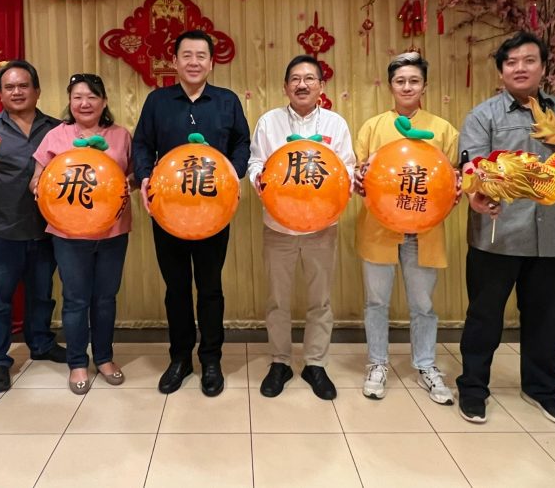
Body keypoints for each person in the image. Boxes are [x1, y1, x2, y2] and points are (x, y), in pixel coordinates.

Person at [456, 31, 555, 426]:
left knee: (546, 319)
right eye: (511, 62)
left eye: (529, 60)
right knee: (484, 318)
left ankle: (542, 389)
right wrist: (476, 192)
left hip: (551, 236)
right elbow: (471, 167)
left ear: (543, 67)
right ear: (501, 72)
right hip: (497, 235)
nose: (520, 68)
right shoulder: (484, 115)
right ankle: (473, 388)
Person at [132, 29, 250, 397]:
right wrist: (145, 177)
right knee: (177, 288)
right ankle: (180, 358)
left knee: (211, 287)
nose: (194, 62)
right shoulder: (157, 101)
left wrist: (233, 172)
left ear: (212, 63)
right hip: (168, 212)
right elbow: (142, 144)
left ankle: (211, 359)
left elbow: (242, 143)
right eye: (187, 55)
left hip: (214, 211)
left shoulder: (227, 101)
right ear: (175, 61)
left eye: (201, 56)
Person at [353, 52, 460, 404]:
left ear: (424, 86)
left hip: (424, 231)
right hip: (379, 228)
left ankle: (426, 365)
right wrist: (360, 176)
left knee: (423, 304)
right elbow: (358, 174)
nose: (407, 87)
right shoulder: (372, 127)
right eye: (400, 81)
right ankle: (377, 363)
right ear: (390, 86)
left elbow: (454, 179)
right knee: (376, 301)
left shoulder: (443, 129)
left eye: (414, 81)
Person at [247, 55, 356, 400]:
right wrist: (259, 178)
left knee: (320, 300)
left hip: (322, 227)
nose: (302, 84)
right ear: (285, 86)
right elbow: (255, 162)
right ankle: (279, 362)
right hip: (278, 226)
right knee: (277, 300)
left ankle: (315, 363)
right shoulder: (269, 122)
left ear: (321, 86)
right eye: (295, 78)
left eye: (309, 78)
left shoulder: (336, 124)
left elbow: (348, 169)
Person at [0, 60, 65, 395]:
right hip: (1, 228)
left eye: (24, 86)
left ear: (37, 91)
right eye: (9, 87)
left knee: (41, 294)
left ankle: (41, 343)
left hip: (47, 228)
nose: (17, 92)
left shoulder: (57, 129)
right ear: (0, 93)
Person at [31, 73, 133, 394]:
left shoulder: (120, 136)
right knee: (75, 300)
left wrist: (120, 184)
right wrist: (40, 189)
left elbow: (131, 177)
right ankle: (77, 362)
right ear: (70, 101)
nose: (84, 103)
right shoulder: (56, 136)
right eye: (77, 97)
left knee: (105, 299)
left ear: (104, 102)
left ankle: (104, 358)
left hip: (113, 231)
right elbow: (36, 179)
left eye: (92, 96)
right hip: (68, 234)